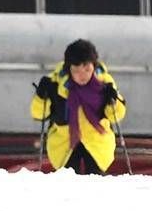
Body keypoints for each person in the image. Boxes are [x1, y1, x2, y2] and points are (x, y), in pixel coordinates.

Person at [30, 39, 126, 175]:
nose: (83, 76)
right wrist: (41, 97)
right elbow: (39, 115)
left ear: (94, 65)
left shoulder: (104, 84)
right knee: (67, 180)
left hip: (97, 142)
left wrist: (114, 101)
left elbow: (116, 116)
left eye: (87, 69)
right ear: (69, 69)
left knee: (95, 179)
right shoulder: (55, 84)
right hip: (64, 143)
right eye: (76, 71)